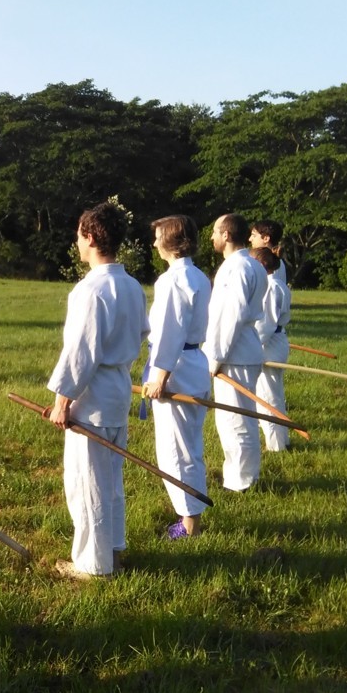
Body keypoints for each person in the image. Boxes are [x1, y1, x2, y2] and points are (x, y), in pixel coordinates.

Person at [47, 202, 149, 579]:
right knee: (110, 480)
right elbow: (142, 332)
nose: (76, 242)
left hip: (92, 398)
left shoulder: (90, 290)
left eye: (78, 235)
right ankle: (113, 551)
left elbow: (81, 353)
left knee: (88, 483)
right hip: (117, 390)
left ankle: (94, 565)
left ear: (90, 237)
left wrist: (62, 402)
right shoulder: (131, 286)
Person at [141, 216, 212, 539]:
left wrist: (160, 376)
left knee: (176, 450)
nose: (154, 243)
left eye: (158, 237)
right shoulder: (197, 276)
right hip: (193, 363)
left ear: (171, 241)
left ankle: (189, 524)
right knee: (189, 446)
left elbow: (171, 331)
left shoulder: (173, 281)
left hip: (178, 367)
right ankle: (190, 517)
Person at [205, 213, 268, 492]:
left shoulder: (238, 268)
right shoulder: (248, 264)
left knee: (235, 421)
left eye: (215, 231)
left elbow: (230, 317)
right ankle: (243, 476)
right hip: (242, 350)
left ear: (226, 235)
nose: (211, 237)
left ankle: (241, 482)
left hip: (235, 353)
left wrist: (215, 358)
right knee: (239, 419)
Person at [251, 246, 292, 452]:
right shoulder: (278, 284)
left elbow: (265, 325)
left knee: (267, 395)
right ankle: (282, 439)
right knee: (274, 393)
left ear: (260, 264)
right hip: (277, 341)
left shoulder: (270, 287)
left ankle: (276, 445)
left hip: (269, 344)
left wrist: (251, 344)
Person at [249, 219, 288, 284]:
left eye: (254, 235)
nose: (250, 239)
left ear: (266, 238)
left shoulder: (268, 262)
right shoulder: (277, 261)